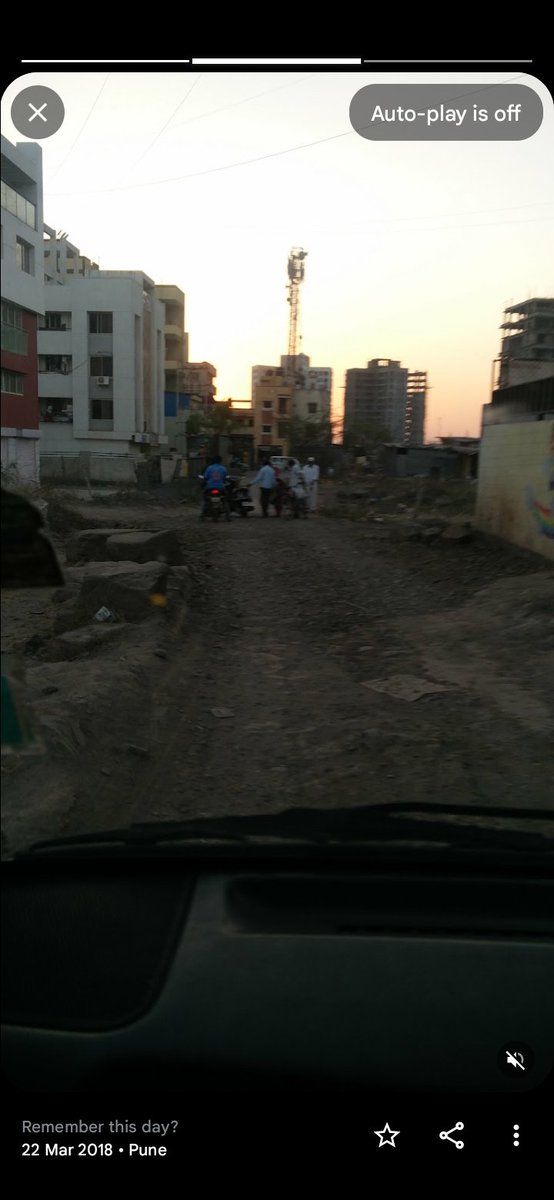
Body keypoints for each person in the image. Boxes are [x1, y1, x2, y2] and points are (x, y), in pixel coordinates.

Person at [200, 455, 231, 521]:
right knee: (225, 500)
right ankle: (228, 516)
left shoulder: (209, 468)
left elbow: (205, 478)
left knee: (206, 500)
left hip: (210, 487)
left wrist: (203, 484)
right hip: (221, 488)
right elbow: (227, 478)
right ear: (220, 461)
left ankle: (202, 515)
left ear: (213, 461)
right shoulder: (223, 468)